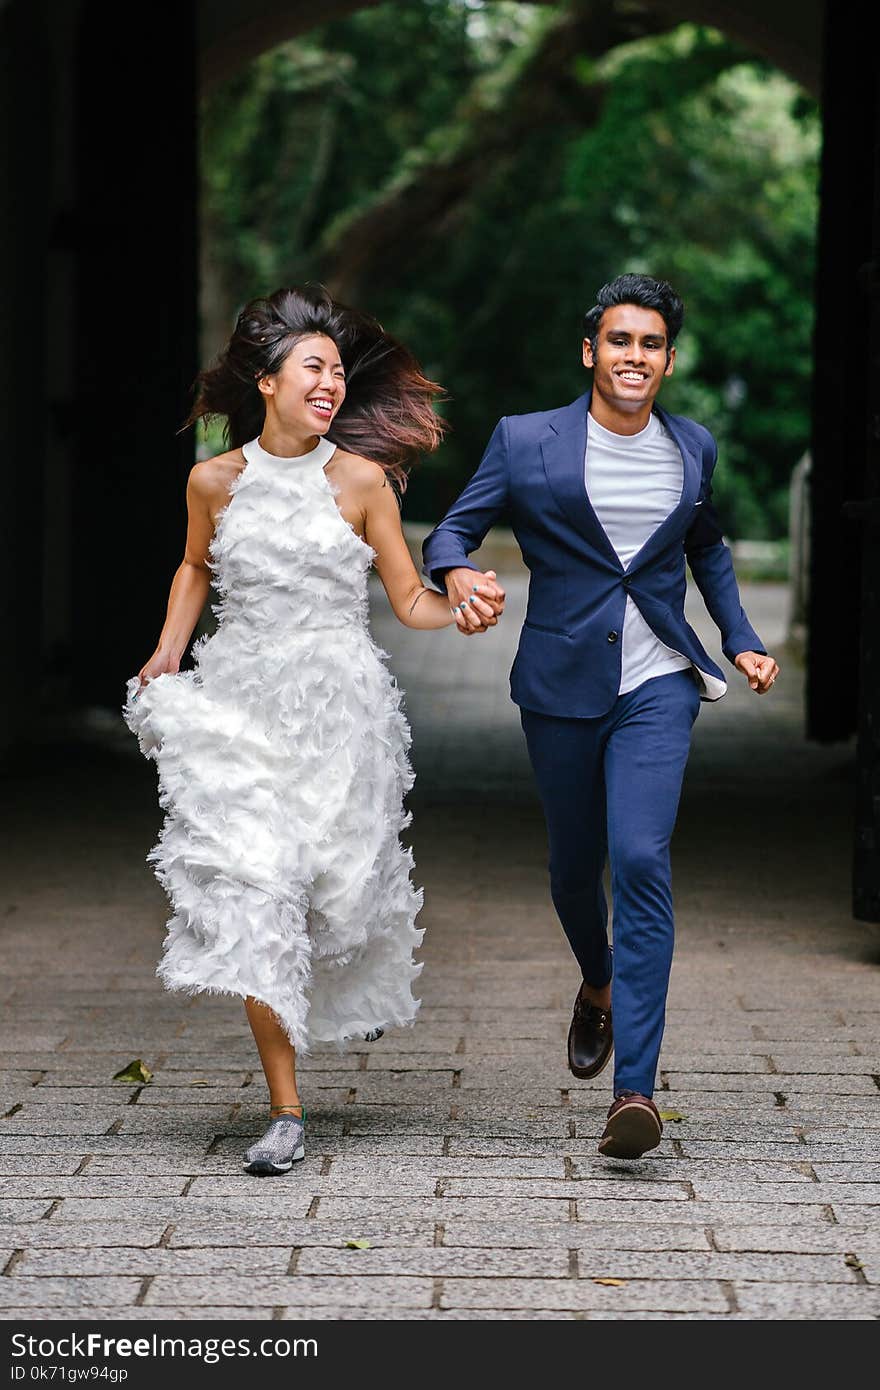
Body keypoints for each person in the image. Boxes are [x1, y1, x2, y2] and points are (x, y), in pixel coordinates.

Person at [125, 285, 504, 1176]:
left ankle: (346, 978)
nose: (330, 382)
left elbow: (409, 601)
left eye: (337, 370)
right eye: (313, 368)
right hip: (241, 706)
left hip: (340, 714)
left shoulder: (363, 482)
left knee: (339, 895)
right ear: (266, 381)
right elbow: (191, 568)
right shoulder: (213, 481)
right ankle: (286, 1110)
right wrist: (165, 655)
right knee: (258, 894)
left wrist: (464, 606)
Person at [423, 274, 779, 1159]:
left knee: (640, 857)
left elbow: (706, 548)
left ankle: (636, 1093)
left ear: (667, 358)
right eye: (619, 341)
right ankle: (597, 982)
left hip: (659, 678)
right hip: (561, 681)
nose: (634, 357)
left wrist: (738, 636)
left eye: (651, 344)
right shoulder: (525, 439)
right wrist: (460, 575)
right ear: (591, 352)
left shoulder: (692, 446)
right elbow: (449, 535)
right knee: (572, 871)